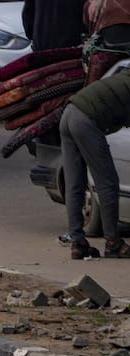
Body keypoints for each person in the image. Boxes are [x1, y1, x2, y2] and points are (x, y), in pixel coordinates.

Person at [61, 71, 130, 260]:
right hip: (86, 121)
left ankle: (78, 243)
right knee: (107, 183)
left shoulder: (122, 76)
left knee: (75, 183)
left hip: (68, 114)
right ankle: (113, 242)